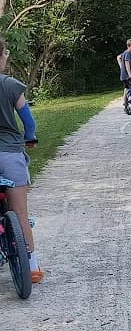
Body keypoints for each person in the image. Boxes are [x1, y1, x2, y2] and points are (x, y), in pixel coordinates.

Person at [0, 38, 43, 283]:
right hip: (9, 154)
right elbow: (28, 121)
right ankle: (33, 267)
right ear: (1, 57)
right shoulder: (10, 85)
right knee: (20, 211)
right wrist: (30, 138)